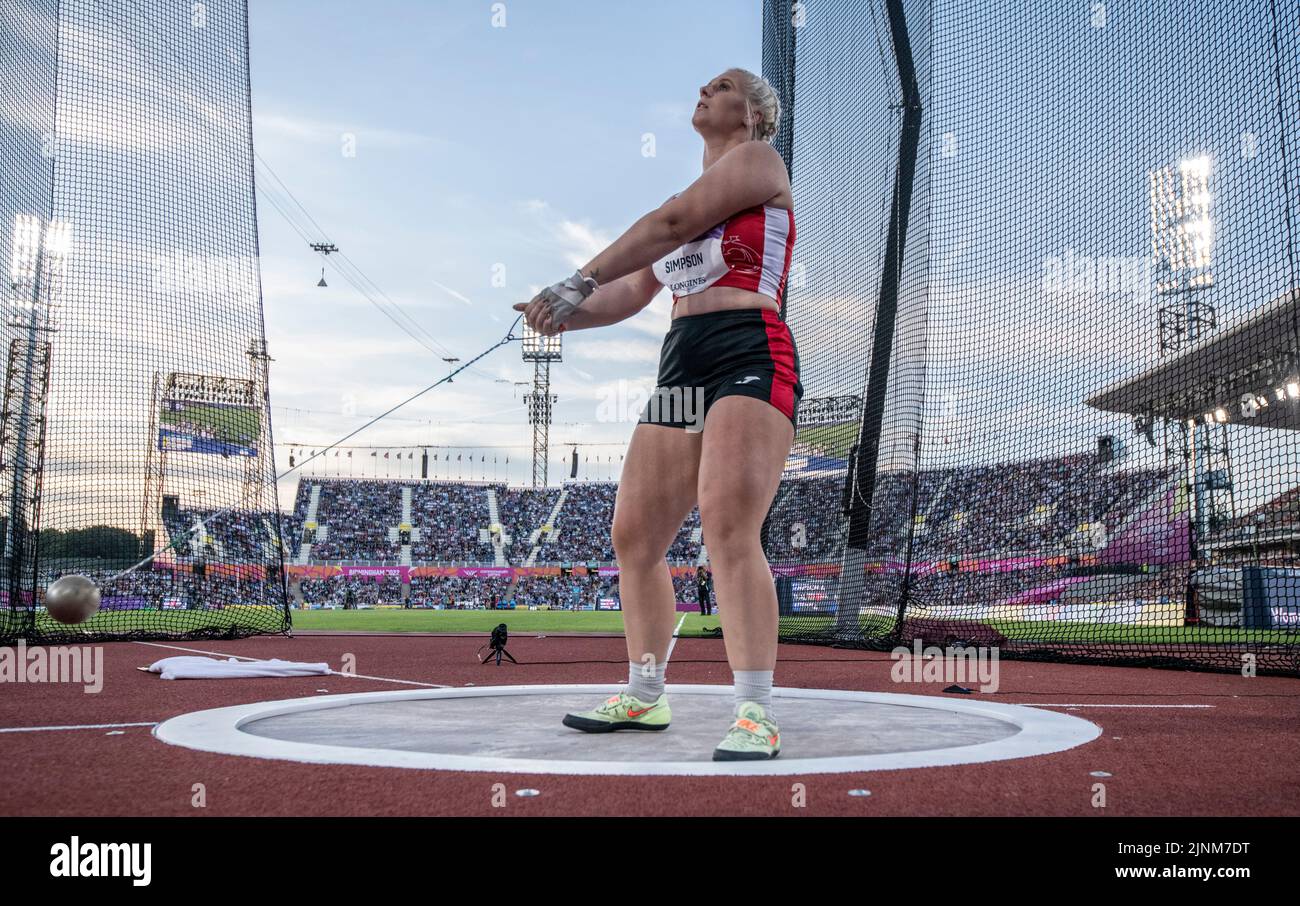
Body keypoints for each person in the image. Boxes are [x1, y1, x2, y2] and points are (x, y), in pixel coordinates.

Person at [516, 68, 799, 761]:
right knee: (635, 536)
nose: (705, 90)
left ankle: (755, 712)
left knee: (729, 524)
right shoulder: (682, 202)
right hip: (683, 360)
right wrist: (564, 316)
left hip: (748, 348)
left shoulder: (760, 163)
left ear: (755, 114)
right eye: (703, 85)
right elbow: (633, 294)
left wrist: (578, 278)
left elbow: (665, 228)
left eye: (723, 85)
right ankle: (644, 694)